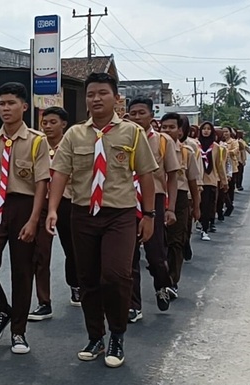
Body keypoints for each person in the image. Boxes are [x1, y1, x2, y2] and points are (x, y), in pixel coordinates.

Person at [46, 73, 158, 368]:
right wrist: (53, 209)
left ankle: (117, 335)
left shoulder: (132, 133)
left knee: (116, 275)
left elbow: (146, 174)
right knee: (88, 279)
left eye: (102, 94)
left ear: (116, 98)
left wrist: (149, 215)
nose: (96, 99)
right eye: (91, 94)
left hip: (119, 215)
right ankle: (96, 336)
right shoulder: (74, 135)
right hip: (83, 213)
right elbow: (60, 174)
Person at [0, 82, 49, 355]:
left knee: (22, 271)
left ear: (24, 106)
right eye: (2, 104)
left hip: (24, 205)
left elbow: (42, 183)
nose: (5, 108)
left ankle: (18, 331)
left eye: (11, 103)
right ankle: (2, 311)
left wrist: (34, 220)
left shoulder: (36, 141)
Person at [127, 97, 179, 321]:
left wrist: (171, 208)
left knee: (155, 252)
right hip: (127, 199)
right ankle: (134, 305)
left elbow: (173, 176)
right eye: (133, 114)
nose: (137, 117)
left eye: (141, 113)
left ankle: (162, 284)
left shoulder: (163, 141)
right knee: (129, 255)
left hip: (154, 200)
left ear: (151, 116)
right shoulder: (122, 137)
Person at [35, 106, 81, 309]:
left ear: (64, 124)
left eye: (53, 122)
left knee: (72, 248)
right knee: (40, 253)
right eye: (44, 123)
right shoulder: (37, 146)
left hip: (67, 202)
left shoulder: (72, 145)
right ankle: (44, 301)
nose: (47, 127)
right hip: (42, 203)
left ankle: (76, 285)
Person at [161, 113, 201, 299]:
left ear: (180, 130)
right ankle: (160, 275)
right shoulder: (154, 148)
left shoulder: (187, 153)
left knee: (176, 241)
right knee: (159, 242)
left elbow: (193, 182)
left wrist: (197, 207)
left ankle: (171, 282)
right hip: (158, 197)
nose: (167, 130)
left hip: (180, 200)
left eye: (171, 127)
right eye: (164, 127)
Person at [197, 122, 227, 242]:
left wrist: (224, 181)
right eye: (204, 129)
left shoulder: (216, 147)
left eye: (209, 129)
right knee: (198, 205)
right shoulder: (196, 145)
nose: (206, 131)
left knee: (207, 206)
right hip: (198, 180)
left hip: (211, 181)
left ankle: (205, 229)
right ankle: (200, 223)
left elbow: (220, 165)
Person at [180, 117, 204, 262]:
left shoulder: (191, 146)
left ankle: (185, 242)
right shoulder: (160, 143)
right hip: (166, 193)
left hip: (187, 192)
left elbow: (197, 172)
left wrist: (197, 195)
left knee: (186, 224)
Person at [224, 127, 240, 216]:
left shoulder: (234, 142)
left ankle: (230, 204)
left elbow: (235, 151)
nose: (225, 133)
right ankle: (227, 204)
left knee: (230, 188)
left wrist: (225, 151)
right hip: (223, 168)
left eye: (226, 131)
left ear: (230, 133)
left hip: (232, 168)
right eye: (223, 132)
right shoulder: (221, 142)